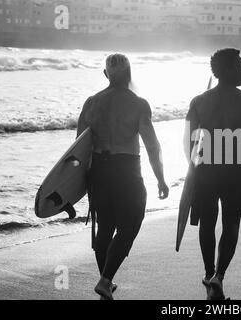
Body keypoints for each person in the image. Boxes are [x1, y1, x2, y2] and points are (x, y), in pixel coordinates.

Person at [77, 53, 169, 300]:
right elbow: (152, 145)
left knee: (105, 225)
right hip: (127, 169)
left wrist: (80, 185)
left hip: (99, 171)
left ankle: (105, 280)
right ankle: (106, 279)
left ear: (105, 75)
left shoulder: (90, 103)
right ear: (129, 74)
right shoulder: (139, 104)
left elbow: (77, 149)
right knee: (131, 222)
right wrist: (160, 178)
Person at [183, 48, 241, 300]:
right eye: (240, 65)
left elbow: (188, 139)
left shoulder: (199, 101)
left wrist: (191, 165)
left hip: (206, 168)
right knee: (231, 223)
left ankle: (209, 274)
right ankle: (219, 276)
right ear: (227, 70)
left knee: (207, 223)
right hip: (234, 169)